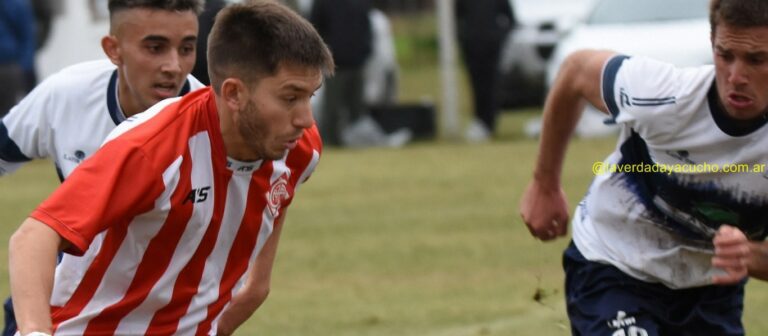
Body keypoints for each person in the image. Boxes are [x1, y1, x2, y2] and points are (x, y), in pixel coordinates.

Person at [8, 1, 333, 335]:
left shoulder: (299, 149)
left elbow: (255, 288)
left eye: (311, 95)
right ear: (234, 93)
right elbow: (34, 237)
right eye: (290, 97)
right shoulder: (153, 148)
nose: (305, 118)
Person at [519, 0, 768, 334]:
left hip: (709, 289)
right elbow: (576, 71)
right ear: (712, 43)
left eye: (757, 59)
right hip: (615, 265)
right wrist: (544, 184)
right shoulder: (664, 97)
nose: (736, 77)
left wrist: (749, 256)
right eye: (725, 55)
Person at [0, 0, 206, 334]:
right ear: (113, 49)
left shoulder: (210, 125)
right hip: (57, 305)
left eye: (186, 48)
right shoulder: (66, 95)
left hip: (152, 315)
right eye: (155, 47)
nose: (174, 65)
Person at [455, 0, 515, 143]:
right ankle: (479, 121)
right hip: (472, 47)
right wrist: (463, 38)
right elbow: (457, 18)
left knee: (491, 86)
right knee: (476, 86)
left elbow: (511, 19)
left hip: (491, 48)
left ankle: (489, 124)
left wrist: (499, 38)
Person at [0, 0, 36, 118]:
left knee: (11, 116)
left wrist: (24, 68)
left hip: (10, 68)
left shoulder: (15, 5)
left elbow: (28, 36)